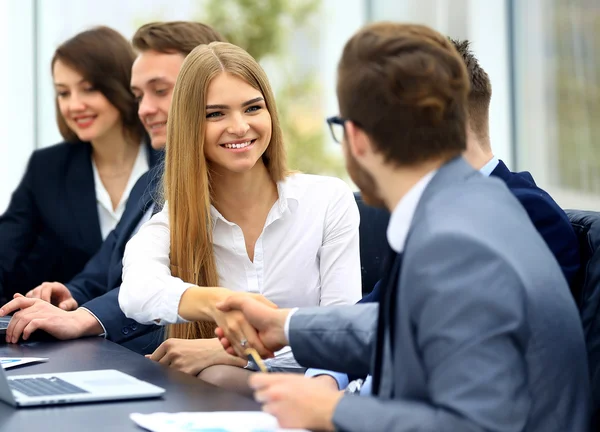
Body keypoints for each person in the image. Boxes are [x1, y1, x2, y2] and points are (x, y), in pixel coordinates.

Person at [214, 22, 590, 431]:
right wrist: (285, 326)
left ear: (356, 138)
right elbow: (410, 324)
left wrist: (330, 412)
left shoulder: (457, 239)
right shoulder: (472, 206)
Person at [117, 41, 361, 387]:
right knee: (215, 378)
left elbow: (345, 330)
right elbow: (137, 291)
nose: (240, 127)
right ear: (190, 126)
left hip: (320, 390)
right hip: (228, 400)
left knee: (217, 372)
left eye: (252, 108)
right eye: (215, 114)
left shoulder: (326, 200)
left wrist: (230, 350)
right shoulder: (179, 219)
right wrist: (219, 303)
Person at [0, 22, 226, 355]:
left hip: (167, 356)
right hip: (118, 350)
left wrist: (85, 318)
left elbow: (154, 289)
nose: (145, 108)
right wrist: (70, 294)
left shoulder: (225, 184)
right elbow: (106, 266)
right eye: (139, 96)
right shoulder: (150, 183)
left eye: (160, 91)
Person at [0, 26, 158, 302]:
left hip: (162, 331)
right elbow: (5, 254)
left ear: (122, 85)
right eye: (63, 93)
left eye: (89, 89)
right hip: (74, 334)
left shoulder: (170, 158)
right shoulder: (47, 169)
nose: (74, 105)